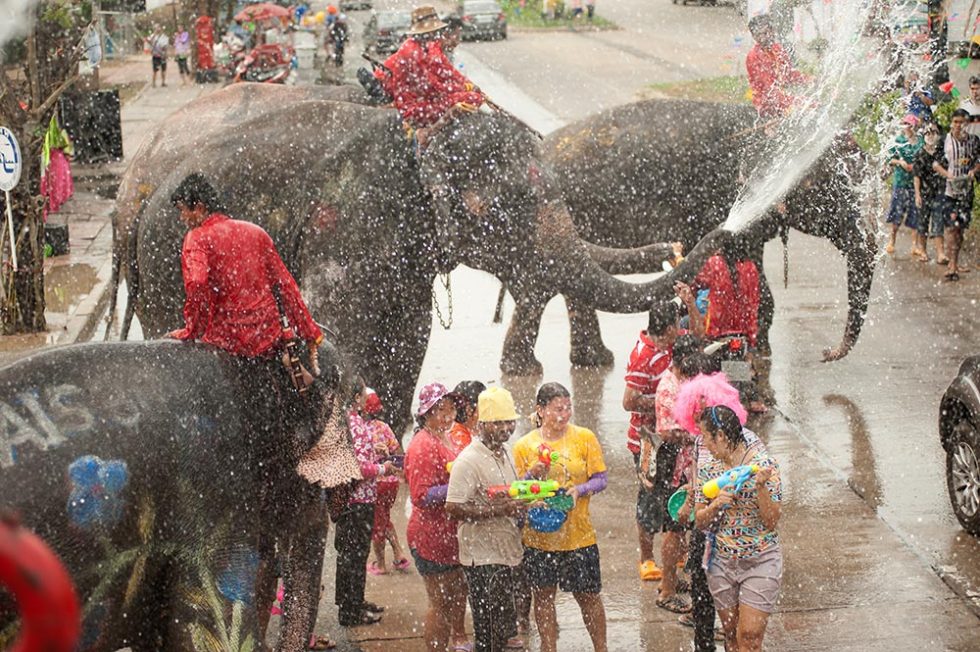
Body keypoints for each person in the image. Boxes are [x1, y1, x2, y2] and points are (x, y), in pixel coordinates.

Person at [165, 173, 322, 364]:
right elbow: (286, 285)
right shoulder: (256, 232)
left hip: (227, 338)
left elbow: (197, 283)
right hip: (268, 335)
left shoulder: (197, 237)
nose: (182, 218)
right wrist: (310, 331)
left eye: (183, 210)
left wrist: (191, 330)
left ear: (198, 208)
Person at [514, 382, 608, 652]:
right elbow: (518, 491)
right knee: (543, 596)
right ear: (540, 410)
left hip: (579, 535)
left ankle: (601, 648)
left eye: (568, 408)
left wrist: (581, 489)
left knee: (589, 596)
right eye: (557, 409)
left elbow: (601, 479)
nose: (564, 414)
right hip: (540, 537)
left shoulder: (584, 437)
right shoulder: (524, 446)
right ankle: (548, 647)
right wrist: (533, 475)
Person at [694, 405, 782, 652]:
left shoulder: (764, 466)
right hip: (721, 562)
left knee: (751, 638)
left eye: (706, 438)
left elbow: (772, 521)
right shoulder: (709, 469)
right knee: (732, 636)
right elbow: (700, 521)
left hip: (761, 559)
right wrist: (716, 506)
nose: (705, 445)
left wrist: (761, 488)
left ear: (720, 436)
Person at [446, 387, 526, 652]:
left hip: (506, 553)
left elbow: (508, 494)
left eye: (509, 421)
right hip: (482, 559)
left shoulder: (507, 452)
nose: (506, 428)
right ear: (482, 424)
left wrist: (528, 491)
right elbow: (453, 507)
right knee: (488, 634)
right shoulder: (468, 461)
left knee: (503, 632)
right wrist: (499, 511)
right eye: (498, 423)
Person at [404, 382, 471, 652]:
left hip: (449, 536)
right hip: (430, 537)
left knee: (454, 596)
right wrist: (459, 488)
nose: (448, 415)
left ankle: (453, 642)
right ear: (426, 413)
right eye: (441, 410)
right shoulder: (423, 445)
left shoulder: (446, 436)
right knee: (439, 603)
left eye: (452, 409)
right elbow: (421, 495)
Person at [650, 334, 705, 614]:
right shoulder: (669, 387)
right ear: (681, 363)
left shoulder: (686, 379)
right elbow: (667, 431)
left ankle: (674, 578)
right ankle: (667, 588)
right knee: (674, 527)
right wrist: (698, 430)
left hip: (689, 463)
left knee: (687, 526)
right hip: (673, 466)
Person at [335, 385, 396, 627]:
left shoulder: (345, 421)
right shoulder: (355, 425)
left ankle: (352, 603)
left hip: (349, 501)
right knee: (354, 556)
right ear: (357, 398)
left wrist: (375, 454)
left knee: (349, 556)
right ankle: (351, 610)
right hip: (358, 501)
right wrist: (382, 468)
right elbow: (358, 468)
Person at [375, 5, 485, 137]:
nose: (436, 34)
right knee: (473, 99)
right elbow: (431, 87)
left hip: (416, 100)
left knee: (469, 97)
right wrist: (462, 91)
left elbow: (446, 72)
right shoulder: (415, 52)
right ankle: (426, 134)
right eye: (434, 31)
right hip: (414, 108)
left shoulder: (421, 47)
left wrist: (466, 85)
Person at [365, 389, 411, 576]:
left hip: (376, 483)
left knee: (377, 524)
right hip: (392, 483)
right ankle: (399, 553)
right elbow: (398, 452)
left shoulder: (360, 431)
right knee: (383, 517)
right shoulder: (384, 427)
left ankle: (381, 564)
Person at [933, 108, 980, 281]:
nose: (959, 126)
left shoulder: (974, 141)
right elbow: (935, 164)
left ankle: (955, 260)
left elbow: (978, 161)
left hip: (966, 192)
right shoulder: (944, 141)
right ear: (951, 123)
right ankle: (951, 265)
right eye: (956, 122)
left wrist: (973, 171)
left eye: (962, 122)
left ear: (967, 123)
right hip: (948, 191)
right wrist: (948, 175)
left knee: (959, 229)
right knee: (951, 227)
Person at [745, 14, 809, 120]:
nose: (762, 38)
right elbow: (769, 90)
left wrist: (809, 80)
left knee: (811, 104)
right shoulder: (754, 57)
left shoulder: (778, 50)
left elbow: (788, 75)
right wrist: (794, 102)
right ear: (753, 36)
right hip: (766, 106)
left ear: (772, 30)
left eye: (765, 33)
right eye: (758, 35)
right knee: (807, 106)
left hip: (781, 99)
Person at [884, 115, 924, 258]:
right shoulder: (898, 141)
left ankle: (915, 245)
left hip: (916, 183)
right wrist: (900, 163)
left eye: (909, 123)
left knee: (915, 213)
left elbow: (922, 157)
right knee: (897, 213)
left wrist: (916, 165)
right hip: (900, 182)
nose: (906, 126)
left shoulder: (919, 141)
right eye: (904, 123)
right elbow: (890, 158)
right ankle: (892, 241)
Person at [914, 121, 948, 264]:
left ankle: (940, 253)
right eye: (927, 132)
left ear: (939, 135)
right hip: (924, 193)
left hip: (939, 192)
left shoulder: (942, 153)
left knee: (938, 222)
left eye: (933, 132)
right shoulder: (920, 154)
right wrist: (917, 194)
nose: (930, 135)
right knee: (923, 223)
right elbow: (916, 176)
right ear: (923, 135)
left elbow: (947, 172)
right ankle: (923, 250)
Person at [449, 380, 486, 454]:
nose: (489, 410)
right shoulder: (460, 441)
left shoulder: (471, 433)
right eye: (484, 405)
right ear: (469, 410)